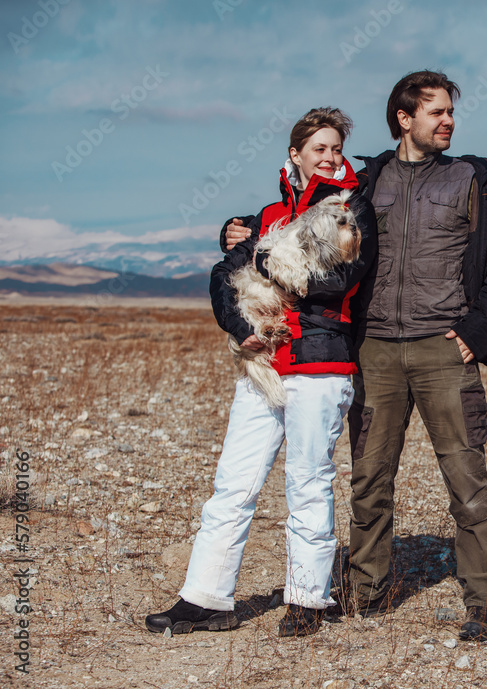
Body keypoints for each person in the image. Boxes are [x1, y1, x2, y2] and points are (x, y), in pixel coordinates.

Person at [224, 71, 487, 642]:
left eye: (450, 113)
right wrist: (238, 226)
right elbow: (302, 209)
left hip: (445, 349)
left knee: (466, 478)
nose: (448, 122)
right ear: (404, 118)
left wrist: (477, 334)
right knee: (369, 477)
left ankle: (485, 600)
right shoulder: (365, 181)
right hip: (375, 352)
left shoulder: (476, 182)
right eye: (436, 112)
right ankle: (366, 589)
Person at [146, 107, 376, 638]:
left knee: (308, 482)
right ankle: (206, 598)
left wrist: (269, 264)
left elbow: (343, 277)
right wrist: (238, 326)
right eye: (319, 148)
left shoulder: (353, 210)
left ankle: (308, 599)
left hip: (319, 363)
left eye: (336, 148)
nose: (330, 156)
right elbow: (225, 273)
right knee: (234, 482)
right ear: (295, 154)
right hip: (263, 362)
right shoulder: (270, 214)